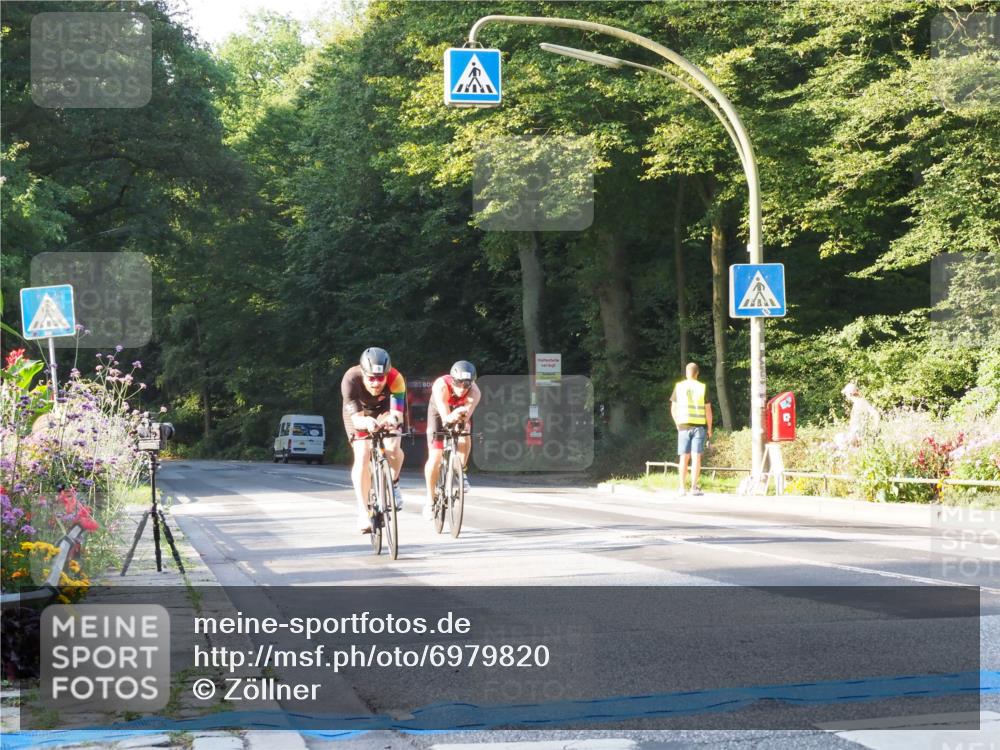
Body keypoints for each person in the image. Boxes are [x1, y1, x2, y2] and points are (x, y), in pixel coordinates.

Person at [341, 347, 406, 533]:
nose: (376, 383)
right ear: (363, 373)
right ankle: (363, 512)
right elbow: (356, 419)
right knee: (362, 453)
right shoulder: (350, 379)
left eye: (380, 378)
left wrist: (392, 419)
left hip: (385, 409)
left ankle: (393, 483)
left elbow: (397, 414)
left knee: (393, 446)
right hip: (359, 413)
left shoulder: (396, 379)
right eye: (371, 378)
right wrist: (366, 422)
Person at [423, 361, 482, 521]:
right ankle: (429, 499)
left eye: (467, 384)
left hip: (459, 413)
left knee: (465, 431)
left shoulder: (475, 392)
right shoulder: (440, 386)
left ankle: (460, 471)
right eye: (458, 383)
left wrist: (460, 421)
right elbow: (446, 418)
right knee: (435, 457)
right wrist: (453, 417)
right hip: (438, 413)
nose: (462, 387)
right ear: (452, 379)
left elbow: (464, 419)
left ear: (472, 383)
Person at [670, 362, 713, 497]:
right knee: (696, 457)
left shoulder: (679, 386)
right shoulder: (702, 387)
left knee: (684, 457)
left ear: (686, 373)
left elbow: (673, 408)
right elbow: (708, 411)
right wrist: (710, 429)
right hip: (699, 426)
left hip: (683, 426)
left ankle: (682, 488)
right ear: (697, 373)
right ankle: (694, 487)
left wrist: (677, 423)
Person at [838, 382, 880, 448]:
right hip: (856, 433)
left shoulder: (861, 402)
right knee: (839, 438)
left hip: (858, 434)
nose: (846, 395)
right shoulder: (858, 402)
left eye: (846, 393)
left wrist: (875, 428)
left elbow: (876, 414)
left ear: (850, 393)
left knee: (839, 438)